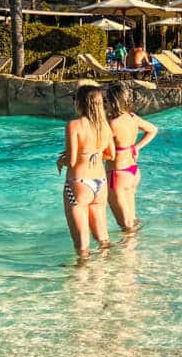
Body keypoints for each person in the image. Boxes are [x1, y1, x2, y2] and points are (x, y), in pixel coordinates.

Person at [56, 85, 114, 257]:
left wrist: (61, 161)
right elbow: (110, 154)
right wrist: (95, 153)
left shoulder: (74, 125)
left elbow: (72, 160)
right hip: (100, 183)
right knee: (103, 237)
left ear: (80, 103)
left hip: (78, 183)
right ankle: (107, 270)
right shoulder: (105, 126)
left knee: (82, 244)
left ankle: (80, 278)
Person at [105, 83, 158, 232]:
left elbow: (102, 149)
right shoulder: (133, 117)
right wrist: (136, 146)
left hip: (117, 174)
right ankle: (134, 251)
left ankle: (127, 254)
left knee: (126, 226)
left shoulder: (112, 124)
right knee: (132, 220)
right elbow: (153, 130)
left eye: (106, 101)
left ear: (113, 101)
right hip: (133, 171)